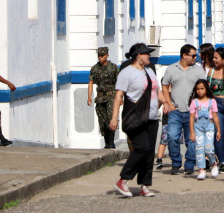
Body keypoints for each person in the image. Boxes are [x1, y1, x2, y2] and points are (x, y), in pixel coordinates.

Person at [111, 43, 172, 197]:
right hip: (135, 118)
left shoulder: (150, 71)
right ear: (139, 56)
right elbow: (119, 96)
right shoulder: (127, 73)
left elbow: (156, 91)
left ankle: (144, 185)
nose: (149, 56)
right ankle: (123, 179)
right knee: (142, 148)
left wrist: (165, 102)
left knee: (149, 152)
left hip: (151, 117)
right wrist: (114, 118)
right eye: (147, 54)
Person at [161, 44, 206, 175]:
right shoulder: (171, 69)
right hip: (175, 111)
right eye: (193, 55)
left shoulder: (198, 70)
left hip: (193, 112)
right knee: (172, 137)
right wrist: (169, 103)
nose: (195, 58)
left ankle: (190, 164)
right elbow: (164, 86)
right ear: (184, 55)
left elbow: (203, 88)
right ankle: (175, 163)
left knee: (192, 139)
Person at [189, 79, 221, 180]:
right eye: (198, 89)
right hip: (198, 127)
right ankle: (201, 170)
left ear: (206, 89)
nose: (200, 91)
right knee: (199, 148)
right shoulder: (194, 102)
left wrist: (219, 130)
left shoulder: (212, 101)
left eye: (202, 88)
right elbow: (191, 117)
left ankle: (213, 164)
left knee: (208, 148)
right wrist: (192, 132)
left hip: (209, 127)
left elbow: (215, 116)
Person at [88, 47, 119, 149]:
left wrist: (120, 98)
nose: (100, 57)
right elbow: (91, 82)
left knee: (111, 119)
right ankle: (106, 143)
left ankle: (111, 142)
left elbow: (118, 83)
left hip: (111, 97)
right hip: (100, 97)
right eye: (99, 56)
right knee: (102, 121)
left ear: (107, 55)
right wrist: (89, 97)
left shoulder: (113, 67)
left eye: (102, 55)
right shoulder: (95, 68)